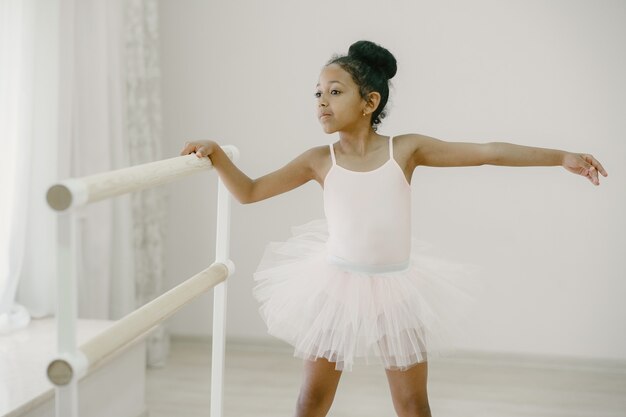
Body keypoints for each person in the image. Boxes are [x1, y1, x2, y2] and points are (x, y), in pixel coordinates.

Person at [180, 40, 607, 417]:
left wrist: (562, 156)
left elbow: (487, 152)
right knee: (311, 401)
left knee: (413, 405)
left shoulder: (405, 151)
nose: (321, 102)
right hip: (335, 287)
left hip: (397, 289)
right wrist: (216, 155)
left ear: (369, 103)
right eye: (317, 93)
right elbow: (251, 191)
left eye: (334, 92)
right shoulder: (318, 159)